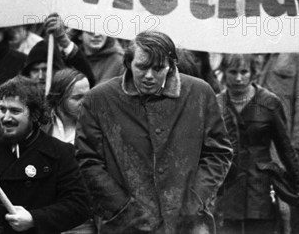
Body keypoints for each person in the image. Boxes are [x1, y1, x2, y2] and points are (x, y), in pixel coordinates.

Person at [75, 31, 233, 233]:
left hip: (187, 224)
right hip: (125, 225)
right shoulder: (99, 99)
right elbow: (88, 160)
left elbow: (219, 152)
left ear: (171, 66)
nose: (149, 76)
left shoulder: (199, 93)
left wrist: (195, 199)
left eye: (158, 68)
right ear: (128, 64)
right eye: (141, 67)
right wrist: (122, 208)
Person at [0, 76, 91, 234]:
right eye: (2, 109)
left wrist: (34, 218)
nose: (6, 118)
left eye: (15, 111)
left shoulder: (60, 153)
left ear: (34, 115)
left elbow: (79, 206)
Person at [217, 54, 299, 234]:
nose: (238, 78)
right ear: (224, 73)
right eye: (233, 72)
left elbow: (285, 147)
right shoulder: (216, 103)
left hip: (259, 185)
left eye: (244, 72)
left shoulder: (269, 102)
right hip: (227, 185)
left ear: (253, 73)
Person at [257, 53, 299, 234]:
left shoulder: (296, 60)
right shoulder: (248, 53)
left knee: (284, 207)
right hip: (252, 144)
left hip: (280, 146)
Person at [45, 68, 95, 234]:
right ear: (59, 98)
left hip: (82, 219)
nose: (85, 101)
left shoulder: (96, 127)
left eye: (88, 96)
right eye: (77, 97)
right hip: (47, 214)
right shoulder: (41, 126)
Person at [22, 14, 95, 87]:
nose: (40, 76)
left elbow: (88, 81)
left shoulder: (66, 94)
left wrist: (64, 40)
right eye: (35, 70)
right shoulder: (21, 95)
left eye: (45, 69)